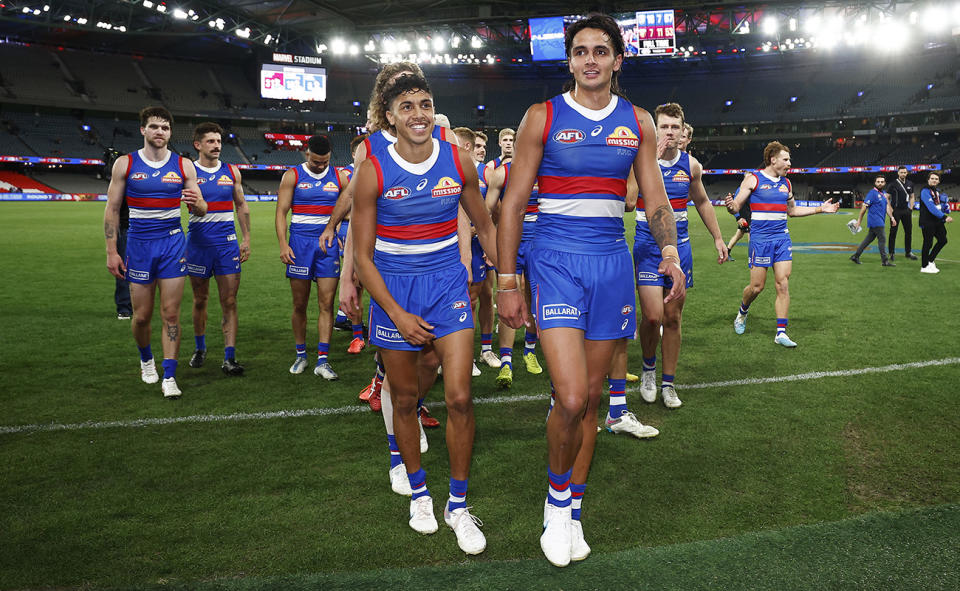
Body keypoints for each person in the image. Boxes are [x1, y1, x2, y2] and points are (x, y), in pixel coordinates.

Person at [497, 14, 684, 567]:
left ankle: (575, 510)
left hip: (611, 264)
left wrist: (669, 252)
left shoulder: (638, 122)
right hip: (553, 260)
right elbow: (511, 204)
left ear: (618, 60)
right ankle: (555, 508)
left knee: (595, 401)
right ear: (570, 60)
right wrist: (509, 281)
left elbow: (655, 200)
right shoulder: (543, 116)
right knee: (572, 396)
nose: (590, 60)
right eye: (580, 51)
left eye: (601, 51)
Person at [351, 73, 498, 555]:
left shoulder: (458, 159)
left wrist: (510, 278)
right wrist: (394, 312)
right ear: (389, 116)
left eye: (426, 104)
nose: (419, 114)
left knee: (459, 397)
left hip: (449, 285)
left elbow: (484, 224)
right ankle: (419, 492)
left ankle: (458, 504)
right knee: (406, 398)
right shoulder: (373, 169)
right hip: (394, 290)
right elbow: (364, 256)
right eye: (407, 106)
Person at [103, 105, 206, 399]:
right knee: (142, 316)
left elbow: (202, 207)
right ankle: (146, 360)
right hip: (139, 244)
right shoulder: (125, 164)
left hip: (173, 243)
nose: (160, 132)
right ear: (143, 130)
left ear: (170, 132)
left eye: (165, 128)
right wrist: (112, 251)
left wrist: (195, 204)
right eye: (155, 127)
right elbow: (111, 210)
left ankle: (170, 375)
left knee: (171, 313)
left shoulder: (184, 165)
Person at [635, 103, 729, 409]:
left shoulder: (691, 166)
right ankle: (649, 369)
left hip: (681, 248)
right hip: (647, 246)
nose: (669, 132)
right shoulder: (640, 161)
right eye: (664, 126)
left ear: (683, 131)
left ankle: (668, 384)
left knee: (673, 318)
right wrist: (649, 160)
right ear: (655, 129)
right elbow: (625, 201)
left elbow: (702, 202)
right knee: (652, 316)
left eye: (674, 127)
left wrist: (718, 238)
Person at [725, 141, 838, 348]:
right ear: (772, 159)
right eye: (786, 159)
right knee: (757, 287)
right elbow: (736, 207)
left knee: (783, 284)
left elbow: (792, 211)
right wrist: (731, 207)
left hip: (782, 239)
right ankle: (742, 313)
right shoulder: (753, 179)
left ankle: (781, 332)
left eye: (789, 160)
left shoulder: (787, 184)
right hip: (760, 240)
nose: (789, 163)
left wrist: (821, 209)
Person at [275, 135, 351, 379]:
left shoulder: (339, 177)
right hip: (299, 245)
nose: (320, 166)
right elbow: (281, 212)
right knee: (299, 304)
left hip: (327, 246)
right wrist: (283, 244)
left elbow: (352, 208)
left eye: (325, 161)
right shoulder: (293, 176)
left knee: (326, 304)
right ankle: (301, 355)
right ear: (307, 154)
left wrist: (338, 227)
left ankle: (323, 360)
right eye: (316, 162)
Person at [185, 122, 251, 375]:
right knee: (200, 299)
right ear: (198, 145)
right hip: (199, 244)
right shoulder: (188, 171)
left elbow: (241, 205)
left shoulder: (231, 171)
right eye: (211, 141)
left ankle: (229, 357)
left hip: (226, 245)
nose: (216, 146)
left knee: (230, 301)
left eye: (219, 141)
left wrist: (246, 239)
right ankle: (200, 348)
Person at [484, 158, 544, 388]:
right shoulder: (501, 173)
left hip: (540, 240)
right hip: (511, 240)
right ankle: (506, 361)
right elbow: (486, 211)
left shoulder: (547, 169)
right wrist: (490, 245)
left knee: (534, 296)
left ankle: (530, 350)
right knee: (509, 293)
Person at [333, 133, 368, 354]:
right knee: (355, 281)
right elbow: (339, 202)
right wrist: (335, 227)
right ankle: (356, 334)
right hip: (351, 230)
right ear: (355, 153)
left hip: (376, 230)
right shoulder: (345, 174)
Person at [850, 175, 896, 267]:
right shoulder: (872, 193)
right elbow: (864, 207)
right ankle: (885, 261)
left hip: (879, 221)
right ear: (875, 183)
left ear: (884, 183)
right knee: (882, 239)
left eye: (882, 182)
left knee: (868, 240)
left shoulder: (883, 194)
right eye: (878, 181)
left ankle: (856, 256)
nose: (880, 183)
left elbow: (886, 207)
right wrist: (859, 220)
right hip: (875, 221)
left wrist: (892, 217)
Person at [919, 171, 953, 274]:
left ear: (938, 181)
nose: (934, 180)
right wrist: (944, 216)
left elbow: (938, 206)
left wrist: (945, 208)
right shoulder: (924, 191)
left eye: (936, 179)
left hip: (937, 221)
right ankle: (924, 266)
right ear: (928, 180)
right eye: (932, 178)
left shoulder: (937, 192)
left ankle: (930, 260)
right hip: (927, 221)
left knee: (943, 240)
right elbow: (931, 207)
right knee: (928, 244)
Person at [887, 165, 917, 261]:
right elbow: (887, 197)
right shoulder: (893, 184)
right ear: (898, 173)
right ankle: (891, 252)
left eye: (904, 172)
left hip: (906, 211)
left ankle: (908, 252)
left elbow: (912, 196)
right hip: (896, 211)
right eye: (901, 172)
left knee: (908, 232)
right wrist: (890, 209)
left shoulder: (910, 183)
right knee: (893, 232)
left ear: (907, 173)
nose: (903, 174)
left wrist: (911, 208)